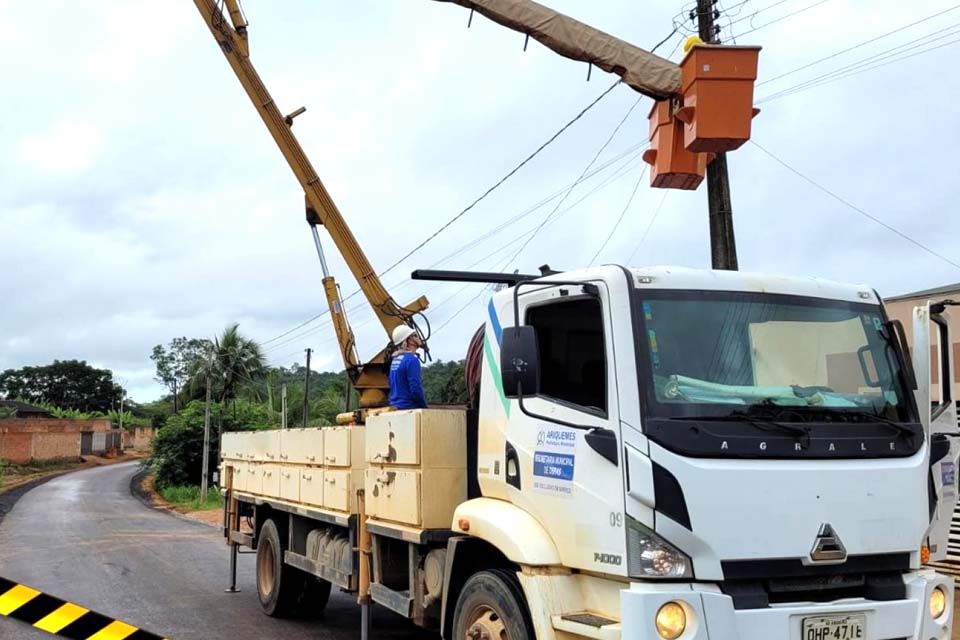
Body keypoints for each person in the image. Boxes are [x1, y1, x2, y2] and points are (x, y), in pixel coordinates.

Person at [388, 325, 428, 410]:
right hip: (408, 408)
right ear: (409, 341)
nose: (418, 338)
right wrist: (424, 407)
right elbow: (415, 388)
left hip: (395, 407)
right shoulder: (412, 360)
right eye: (414, 335)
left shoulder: (395, 360)